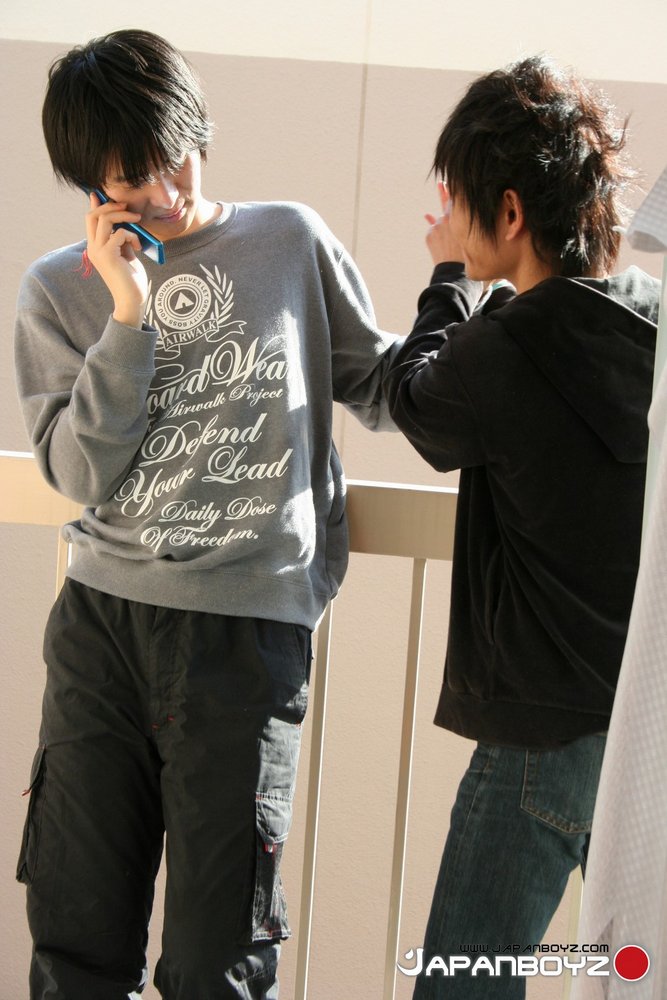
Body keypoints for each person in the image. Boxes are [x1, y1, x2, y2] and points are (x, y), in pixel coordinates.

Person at [14, 29, 399, 1000]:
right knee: (76, 942)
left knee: (214, 960)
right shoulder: (57, 291)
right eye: (130, 177)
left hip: (244, 637)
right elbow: (77, 472)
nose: (164, 190)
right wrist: (128, 314)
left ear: (198, 133)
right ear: (91, 185)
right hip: (103, 634)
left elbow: (385, 384)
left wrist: (486, 297)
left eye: (174, 155)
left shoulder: (289, 243)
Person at [384, 56, 660, 998]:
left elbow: (414, 403)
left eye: (461, 202)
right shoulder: (652, 326)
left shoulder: (498, 349)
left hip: (541, 739)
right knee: (632, 971)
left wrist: (447, 278)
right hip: (640, 732)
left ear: (507, 212)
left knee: (462, 981)